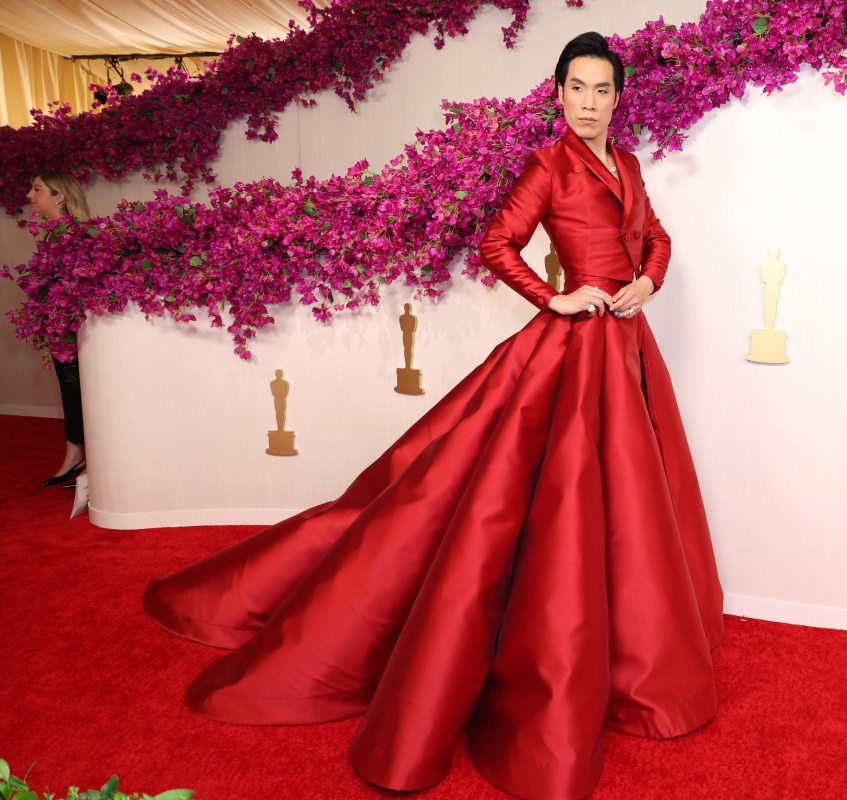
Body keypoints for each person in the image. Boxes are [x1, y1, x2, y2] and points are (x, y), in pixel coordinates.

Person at [144, 32, 722, 800]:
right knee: (541, 500)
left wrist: (648, 282)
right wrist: (557, 297)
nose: (589, 103)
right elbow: (497, 243)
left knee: (629, 507)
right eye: (576, 89)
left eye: (602, 90)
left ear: (619, 97)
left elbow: (656, 238)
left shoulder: (631, 165)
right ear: (557, 95)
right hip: (576, 348)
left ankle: (632, 657)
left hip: (628, 347)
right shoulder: (548, 165)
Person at [26, 171, 90, 489]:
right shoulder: (52, 235)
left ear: (59, 195)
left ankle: (82, 457)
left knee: (82, 392)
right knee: (70, 391)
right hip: (59, 327)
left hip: (75, 329)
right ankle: (75, 454)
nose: (29, 195)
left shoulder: (75, 234)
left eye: (37, 189)